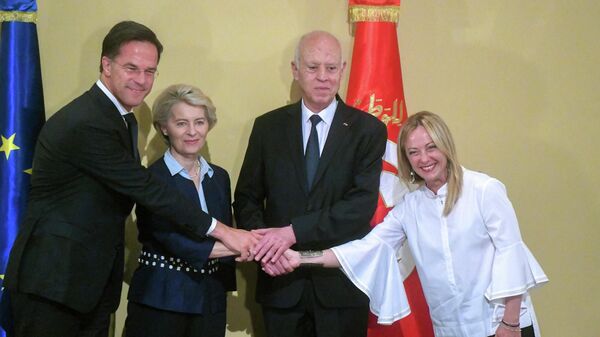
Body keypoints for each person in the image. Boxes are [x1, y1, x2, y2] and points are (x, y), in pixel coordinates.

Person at [1, 21, 255, 337]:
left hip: (86, 287)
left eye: (150, 71)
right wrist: (224, 231)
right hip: (53, 285)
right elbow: (146, 188)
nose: (142, 80)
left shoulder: (121, 118)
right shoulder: (88, 121)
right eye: (132, 68)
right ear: (106, 65)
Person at [270, 111, 549, 337]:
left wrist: (510, 324)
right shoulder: (409, 208)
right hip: (451, 329)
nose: (424, 159)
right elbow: (362, 250)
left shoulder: (485, 190)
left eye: (431, 147)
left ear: (446, 146)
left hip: (501, 325)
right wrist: (298, 258)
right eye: (414, 152)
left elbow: (511, 255)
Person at [233, 30, 387, 337]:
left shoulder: (368, 130)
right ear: (295, 70)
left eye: (331, 68)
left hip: (341, 288)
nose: (323, 77)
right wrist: (268, 251)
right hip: (279, 285)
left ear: (343, 70)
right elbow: (247, 198)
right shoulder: (267, 128)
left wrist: (291, 234)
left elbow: (359, 208)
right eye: (313, 67)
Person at [124, 84, 237, 337]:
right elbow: (173, 241)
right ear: (164, 127)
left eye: (199, 122)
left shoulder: (219, 177)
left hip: (210, 301)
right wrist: (245, 245)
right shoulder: (150, 180)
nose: (192, 132)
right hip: (162, 301)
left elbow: (225, 230)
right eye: (182, 123)